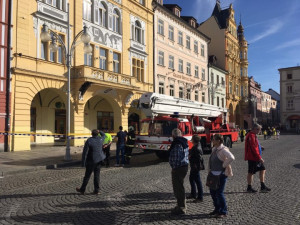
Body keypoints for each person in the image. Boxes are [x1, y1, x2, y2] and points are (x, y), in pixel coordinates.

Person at [208, 134, 235, 218]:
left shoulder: (223, 150)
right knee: (213, 192)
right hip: (213, 174)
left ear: (218, 141)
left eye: (214, 139)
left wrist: (224, 165)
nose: (212, 140)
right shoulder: (214, 149)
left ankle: (223, 211)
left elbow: (231, 157)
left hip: (221, 174)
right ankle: (217, 208)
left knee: (219, 193)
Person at [76, 129, 106, 195]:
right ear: (97, 134)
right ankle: (97, 190)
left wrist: (83, 163)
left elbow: (85, 152)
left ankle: (82, 189)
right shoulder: (100, 139)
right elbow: (104, 135)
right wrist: (99, 131)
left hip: (91, 161)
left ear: (91, 134)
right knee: (97, 176)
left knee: (87, 176)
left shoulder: (89, 140)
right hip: (99, 160)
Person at [245, 123, 271, 193]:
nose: (259, 131)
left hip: (255, 157)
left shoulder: (253, 135)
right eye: (258, 129)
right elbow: (253, 148)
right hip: (253, 158)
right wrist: (259, 158)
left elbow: (255, 145)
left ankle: (262, 186)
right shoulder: (251, 135)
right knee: (251, 172)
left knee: (262, 169)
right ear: (254, 129)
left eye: (260, 129)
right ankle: (249, 187)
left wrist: (260, 146)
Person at [169, 128, 189, 215]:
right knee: (179, 187)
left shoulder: (177, 143)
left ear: (173, 136)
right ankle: (181, 205)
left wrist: (174, 168)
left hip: (178, 168)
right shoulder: (184, 141)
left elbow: (176, 158)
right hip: (184, 166)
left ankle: (181, 207)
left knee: (178, 188)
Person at [188, 135, 204, 203]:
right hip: (194, 166)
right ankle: (193, 193)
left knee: (198, 181)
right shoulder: (197, 146)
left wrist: (190, 157)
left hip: (195, 166)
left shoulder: (196, 148)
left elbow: (199, 158)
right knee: (191, 179)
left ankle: (200, 197)